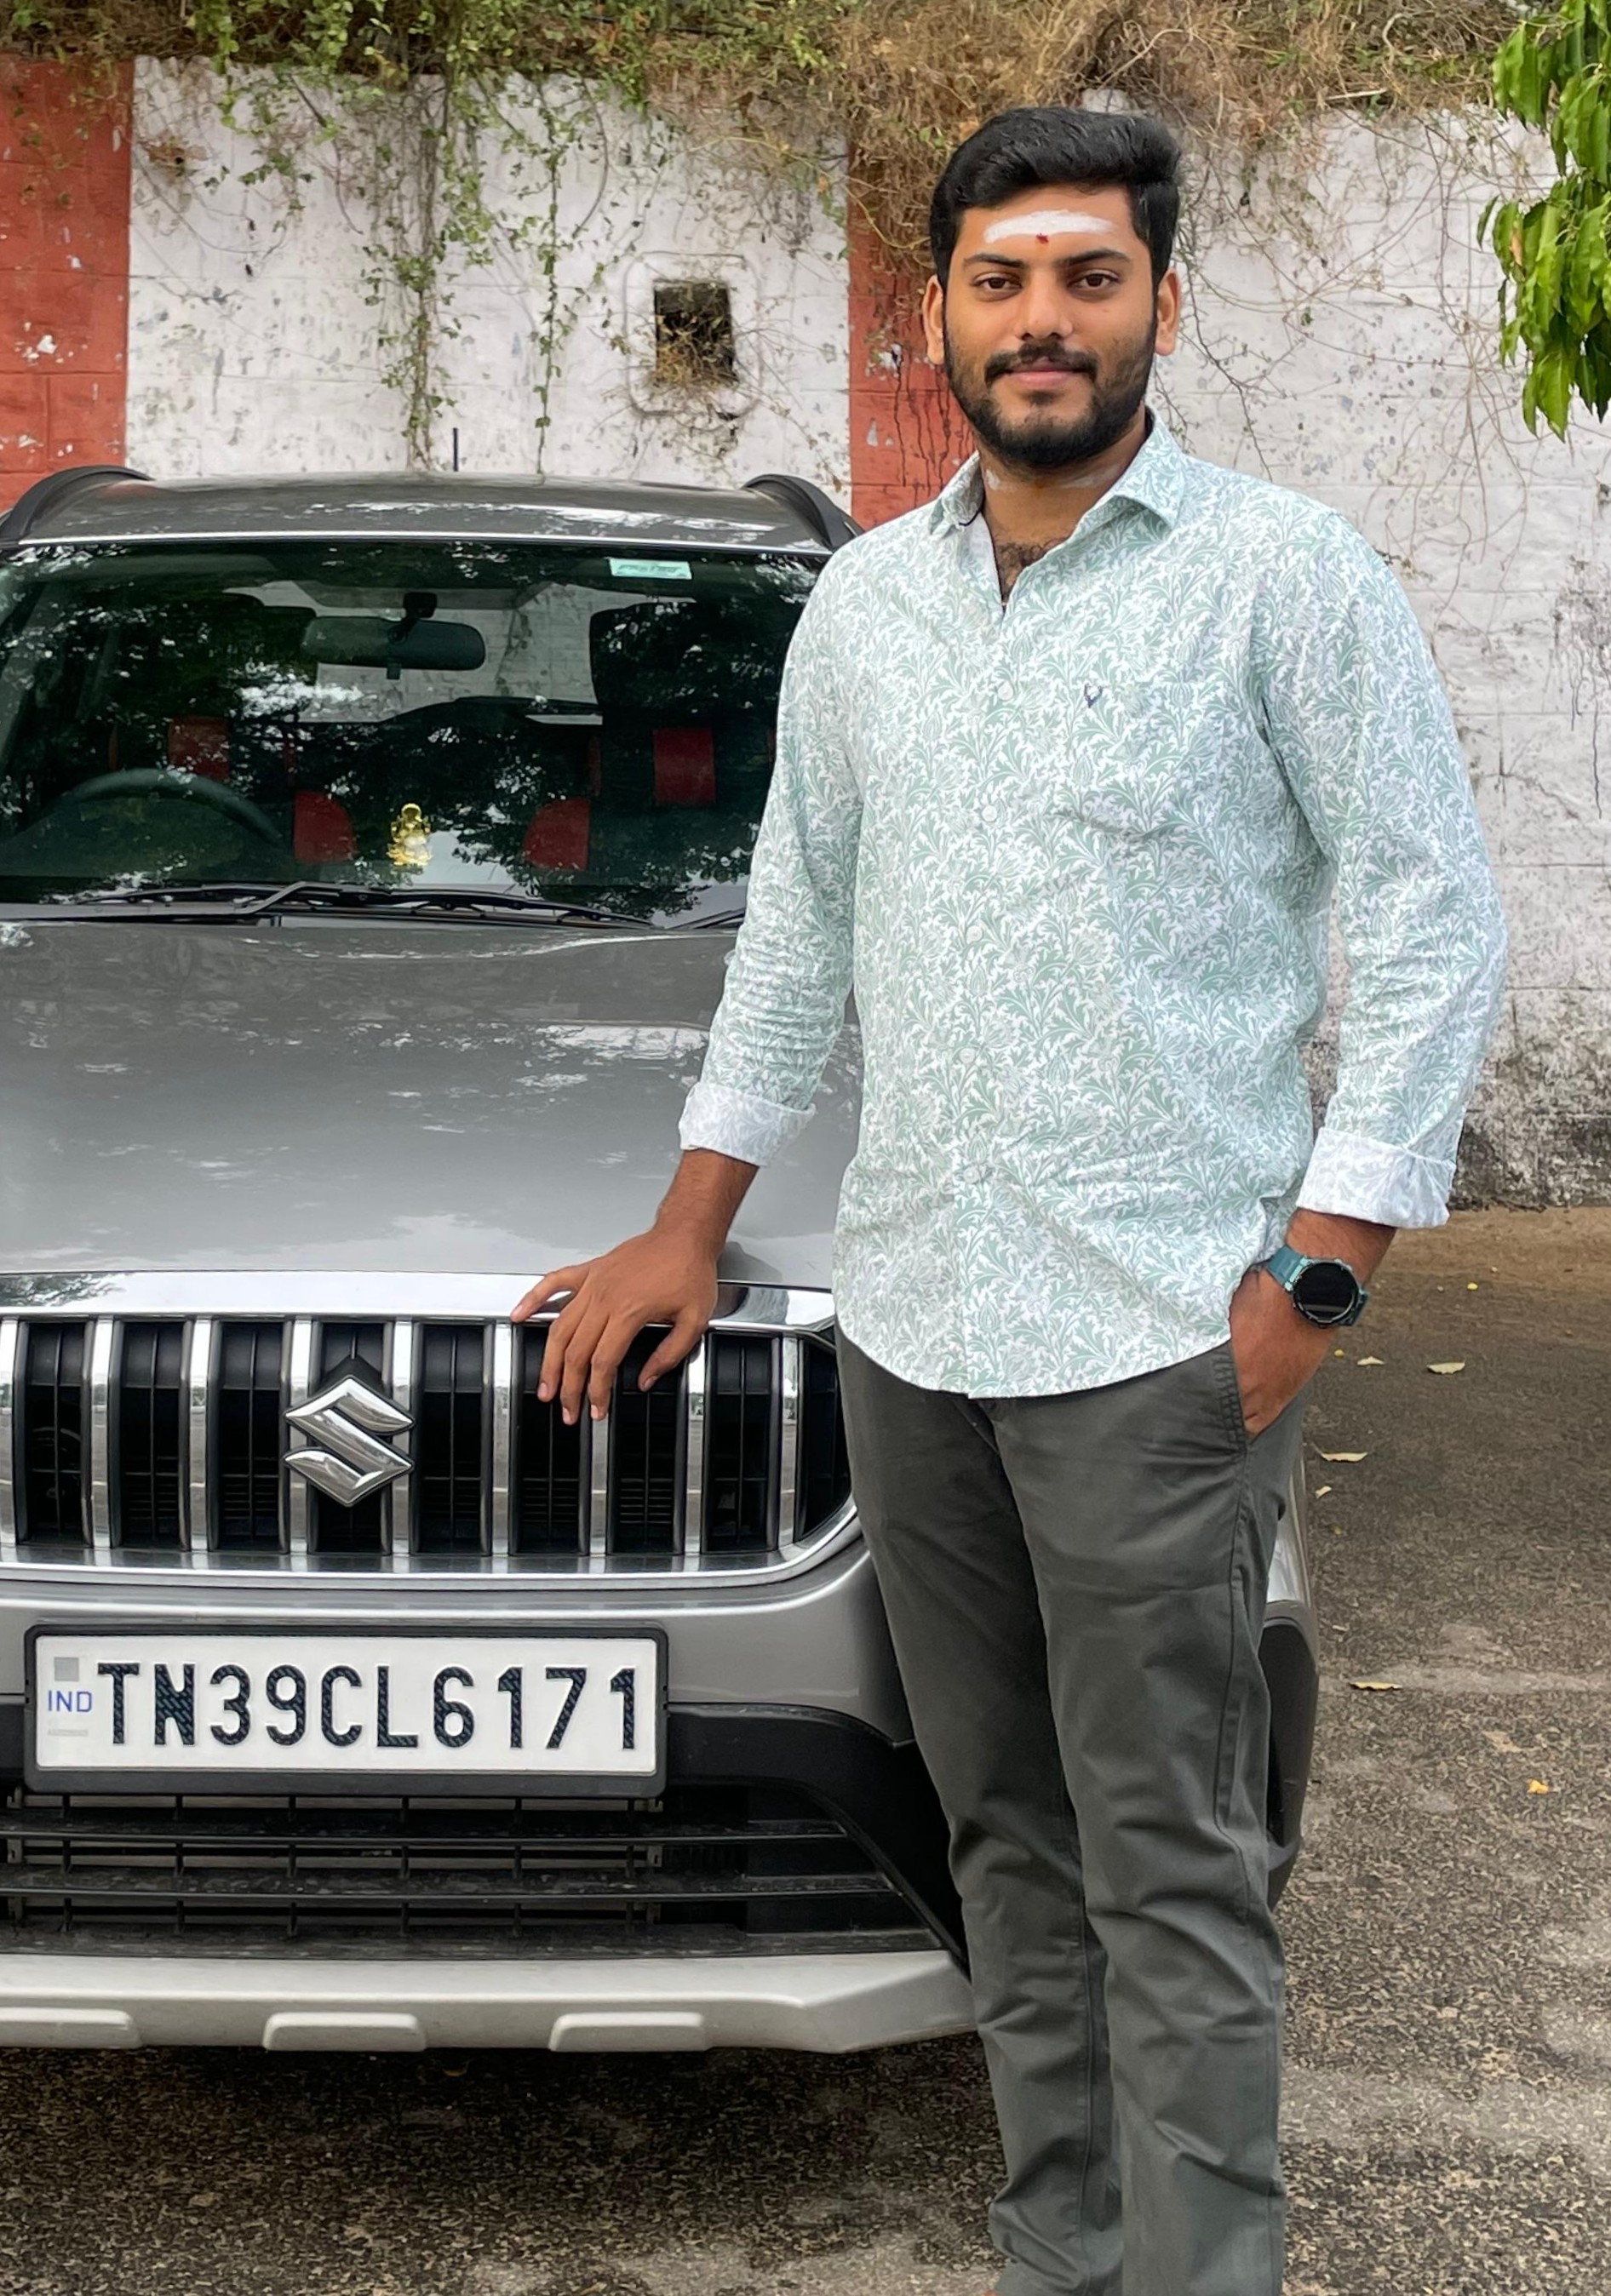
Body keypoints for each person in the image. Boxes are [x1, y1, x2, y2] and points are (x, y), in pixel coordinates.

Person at [512, 106, 1508, 2296]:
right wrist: (690, 1215)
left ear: (1161, 302)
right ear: (936, 314)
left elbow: (1432, 918)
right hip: (916, 1327)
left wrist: (1322, 1267)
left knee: (1173, 1862)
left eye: (1085, 277)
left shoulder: (1285, 577)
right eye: (999, 280)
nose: (1040, 319)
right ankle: (1064, 2250)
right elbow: (799, 930)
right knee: (1007, 1848)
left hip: (1159, 1332)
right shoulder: (865, 605)